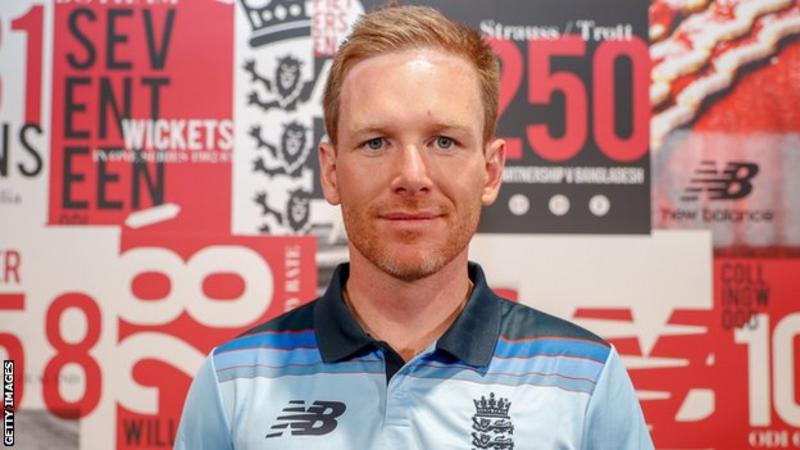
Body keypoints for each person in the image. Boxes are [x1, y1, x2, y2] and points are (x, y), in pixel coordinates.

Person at [175, 4, 654, 449]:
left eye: (443, 142)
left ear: (490, 171)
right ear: (331, 171)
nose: (411, 176)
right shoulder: (234, 381)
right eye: (376, 142)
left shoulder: (585, 378)